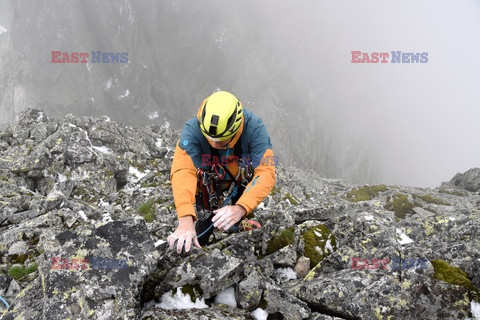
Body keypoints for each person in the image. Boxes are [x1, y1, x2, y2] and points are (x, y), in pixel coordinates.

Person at [168, 91, 276, 254]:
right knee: (206, 216)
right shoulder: (193, 130)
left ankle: (238, 220)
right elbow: (183, 171)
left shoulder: (254, 128)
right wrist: (185, 220)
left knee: (243, 199)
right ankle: (198, 245)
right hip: (210, 178)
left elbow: (266, 172)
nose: (214, 144)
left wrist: (241, 208)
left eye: (221, 141)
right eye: (210, 139)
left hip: (239, 174)